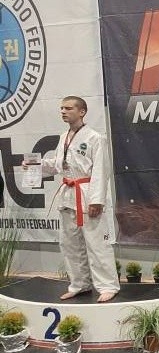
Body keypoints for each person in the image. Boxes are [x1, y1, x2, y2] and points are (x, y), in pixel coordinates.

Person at [35, 97, 119, 302]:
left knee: (96, 244)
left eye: (68, 108)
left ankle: (108, 286)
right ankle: (79, 284)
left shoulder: (95, 138)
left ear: (82, 112)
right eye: (62, 108)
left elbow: (101, 170)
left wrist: (97, 200)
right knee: (69, 244)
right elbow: (58, 164)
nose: (63, 111)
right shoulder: (64, 136)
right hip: (68, 194)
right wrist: (35, 164)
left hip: (87, 193)